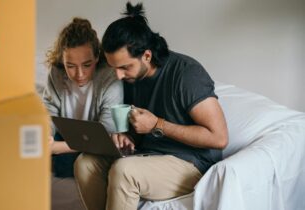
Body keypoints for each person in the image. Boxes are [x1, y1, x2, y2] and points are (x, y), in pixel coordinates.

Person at [74, 3, 229, 210]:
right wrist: (127, 137)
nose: (118, 75)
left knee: (124, 171)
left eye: (124, 67)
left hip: (191, 164)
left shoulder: (186, 74)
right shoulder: (131, 78)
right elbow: (140, 130)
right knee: (85, 164)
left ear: (146, 56)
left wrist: (157, 124)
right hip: (147, 154)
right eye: (114, 68)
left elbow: (219, 137)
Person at [43, 17, 123, 177]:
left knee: (76, 164)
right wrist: (46, 136)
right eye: (70, 66)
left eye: (87, 65)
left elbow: (107, 136)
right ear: (62, 61)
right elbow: (48, 113)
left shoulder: (110, 78)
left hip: (96, 143)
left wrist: (56, 148)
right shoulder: (56, 73)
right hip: (65, 136)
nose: (79, 74)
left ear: (97, 57)